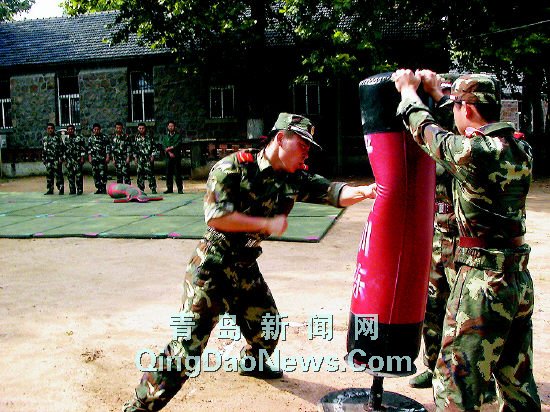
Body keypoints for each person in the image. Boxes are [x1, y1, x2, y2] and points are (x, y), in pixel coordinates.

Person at [123, 113, 378, 412]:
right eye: (302, 143)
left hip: (245, 266)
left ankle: (252, 363)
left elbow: (334, 191)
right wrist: (264, 223)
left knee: (267, 328)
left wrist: (368, 190)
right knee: (187, 350)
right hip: (213, 266)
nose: (307, 151)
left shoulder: (293, 177)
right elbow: (216, 216)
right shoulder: (232, 168)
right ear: (280, 138)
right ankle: (138, 407)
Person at [393, 70, 541, 411]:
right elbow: (466, 134)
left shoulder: (474, 153)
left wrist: (409, 93)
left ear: (468, 109)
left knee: (455, 386)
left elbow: (426, 131)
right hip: (518, 280)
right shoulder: (522, 150)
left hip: (481, 283)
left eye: (457, 106)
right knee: (516, 381)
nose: (453, 111)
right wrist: (448, 98)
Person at [133, 122, 157, 194]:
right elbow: (134, 148)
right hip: (140, 158)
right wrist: (135, 157)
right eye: (140, 128)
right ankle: (141, 189)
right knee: (140, 174)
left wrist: (153, 156)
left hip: (148, 158)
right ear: (138, 129)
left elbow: (154, 147)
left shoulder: (149, 137)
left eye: (143, 128)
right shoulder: (136, 138)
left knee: (150, 173)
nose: (141, 130)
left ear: (145, 129)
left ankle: (153, 188)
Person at [42, 123, 65, 195]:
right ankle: (50, 189)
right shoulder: (45, 139)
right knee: (49, 175)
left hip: (56, 160)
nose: (50, 130)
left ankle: (60, 188)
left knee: (58, 175)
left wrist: (61, 158)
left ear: (54, 129)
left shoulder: (58, 138)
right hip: (48, 160)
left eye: (51, 128)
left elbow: (62, 148)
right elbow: (43, 150)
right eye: (48, 128)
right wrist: (44, 159)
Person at [162, 120, 184, 194]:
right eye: (169, 126)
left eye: (172, 126)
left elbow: (178, 144)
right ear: (167, 127)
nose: (171, 127)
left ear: (174, 127)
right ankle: (169, 188)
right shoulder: (165, 137)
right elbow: (164, 145)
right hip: (168, 156)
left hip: (176, 156)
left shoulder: (178, 136)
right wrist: (169, 152)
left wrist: (171, 148)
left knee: (177, 173)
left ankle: (180, 188)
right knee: (168, 173)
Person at [88, 123, 110, 194]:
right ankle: (98, 188)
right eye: (95, 129)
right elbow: (89, 149)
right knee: (95, 174)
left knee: (103, 174)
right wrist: (90, 158)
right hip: (94, 160)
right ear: (93, 130)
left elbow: (108, 148)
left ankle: (103, 188)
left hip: (102, 159)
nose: (96, 131)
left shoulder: (104, 137)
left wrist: (107, 156)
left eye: (98, 129)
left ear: (100, 130)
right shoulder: (90, 138)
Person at [64, 124, 86, 195]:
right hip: (69, 160)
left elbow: (83, 149)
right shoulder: (66, 139)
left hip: (77, 160)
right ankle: (72, 190)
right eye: (69, 129)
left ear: (74, 130)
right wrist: (65, 160)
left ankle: (79, 190)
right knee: (70, 176)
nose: (70, 131)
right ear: (67, 131)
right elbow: (65, 150)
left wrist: (82, 158)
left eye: (72, 129)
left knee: (78, 176)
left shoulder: (79, 138)